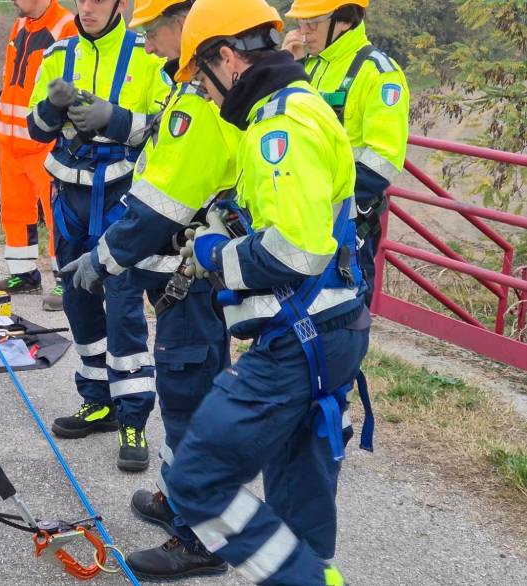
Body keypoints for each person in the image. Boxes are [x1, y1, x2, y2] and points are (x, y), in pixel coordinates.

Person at [125, 0, 371, 583]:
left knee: (196, 478)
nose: (204, 95)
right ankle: (317, 575)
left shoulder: (277, 127)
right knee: (298, 495)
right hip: (330, 330)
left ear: (227, 58)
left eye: (200, 80)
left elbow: (294, 252)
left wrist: (216, 254)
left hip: (298, 338)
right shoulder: (298, 106)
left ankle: (302, 579)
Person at [60, 0, 236, 557]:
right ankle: (181, 497)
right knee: (189, 388)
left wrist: (104, 257)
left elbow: (162, 203)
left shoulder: (201, 104)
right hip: (178, 269)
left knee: (192, 396)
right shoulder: (186, 90)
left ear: (184, 24)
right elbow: (156, 148)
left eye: (154, 32)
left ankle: (199, 539)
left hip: (190, 271)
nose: (150, 44)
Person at [28, 0, 170, 472]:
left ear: (119, 5)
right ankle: (99, 401)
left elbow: (168, 130)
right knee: (77, 298)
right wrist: (52, 106)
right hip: (68, 196)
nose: (86, 7)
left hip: (120, 196)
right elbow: (34, 129)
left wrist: (116, 120)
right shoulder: (58, 53)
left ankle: (133, 418)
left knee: (123, 303)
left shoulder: (148, 56)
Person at [283, 0, 409, 305]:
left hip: (347, 226)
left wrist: (316, 197)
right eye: (301, 22)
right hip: (296, 217)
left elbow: (383, 162)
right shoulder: (306, 65)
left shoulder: (379, 74)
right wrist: (288, 66)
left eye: (313, 23)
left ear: (345, 21)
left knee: (343, 318)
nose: (303, 31)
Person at [0, 0, 76, 311]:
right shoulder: (21, 23)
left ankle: (67, 280)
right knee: (15, 211)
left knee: (57, 215)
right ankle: (23, 274)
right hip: (10, 141)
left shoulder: (66, 26)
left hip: (43, 143)